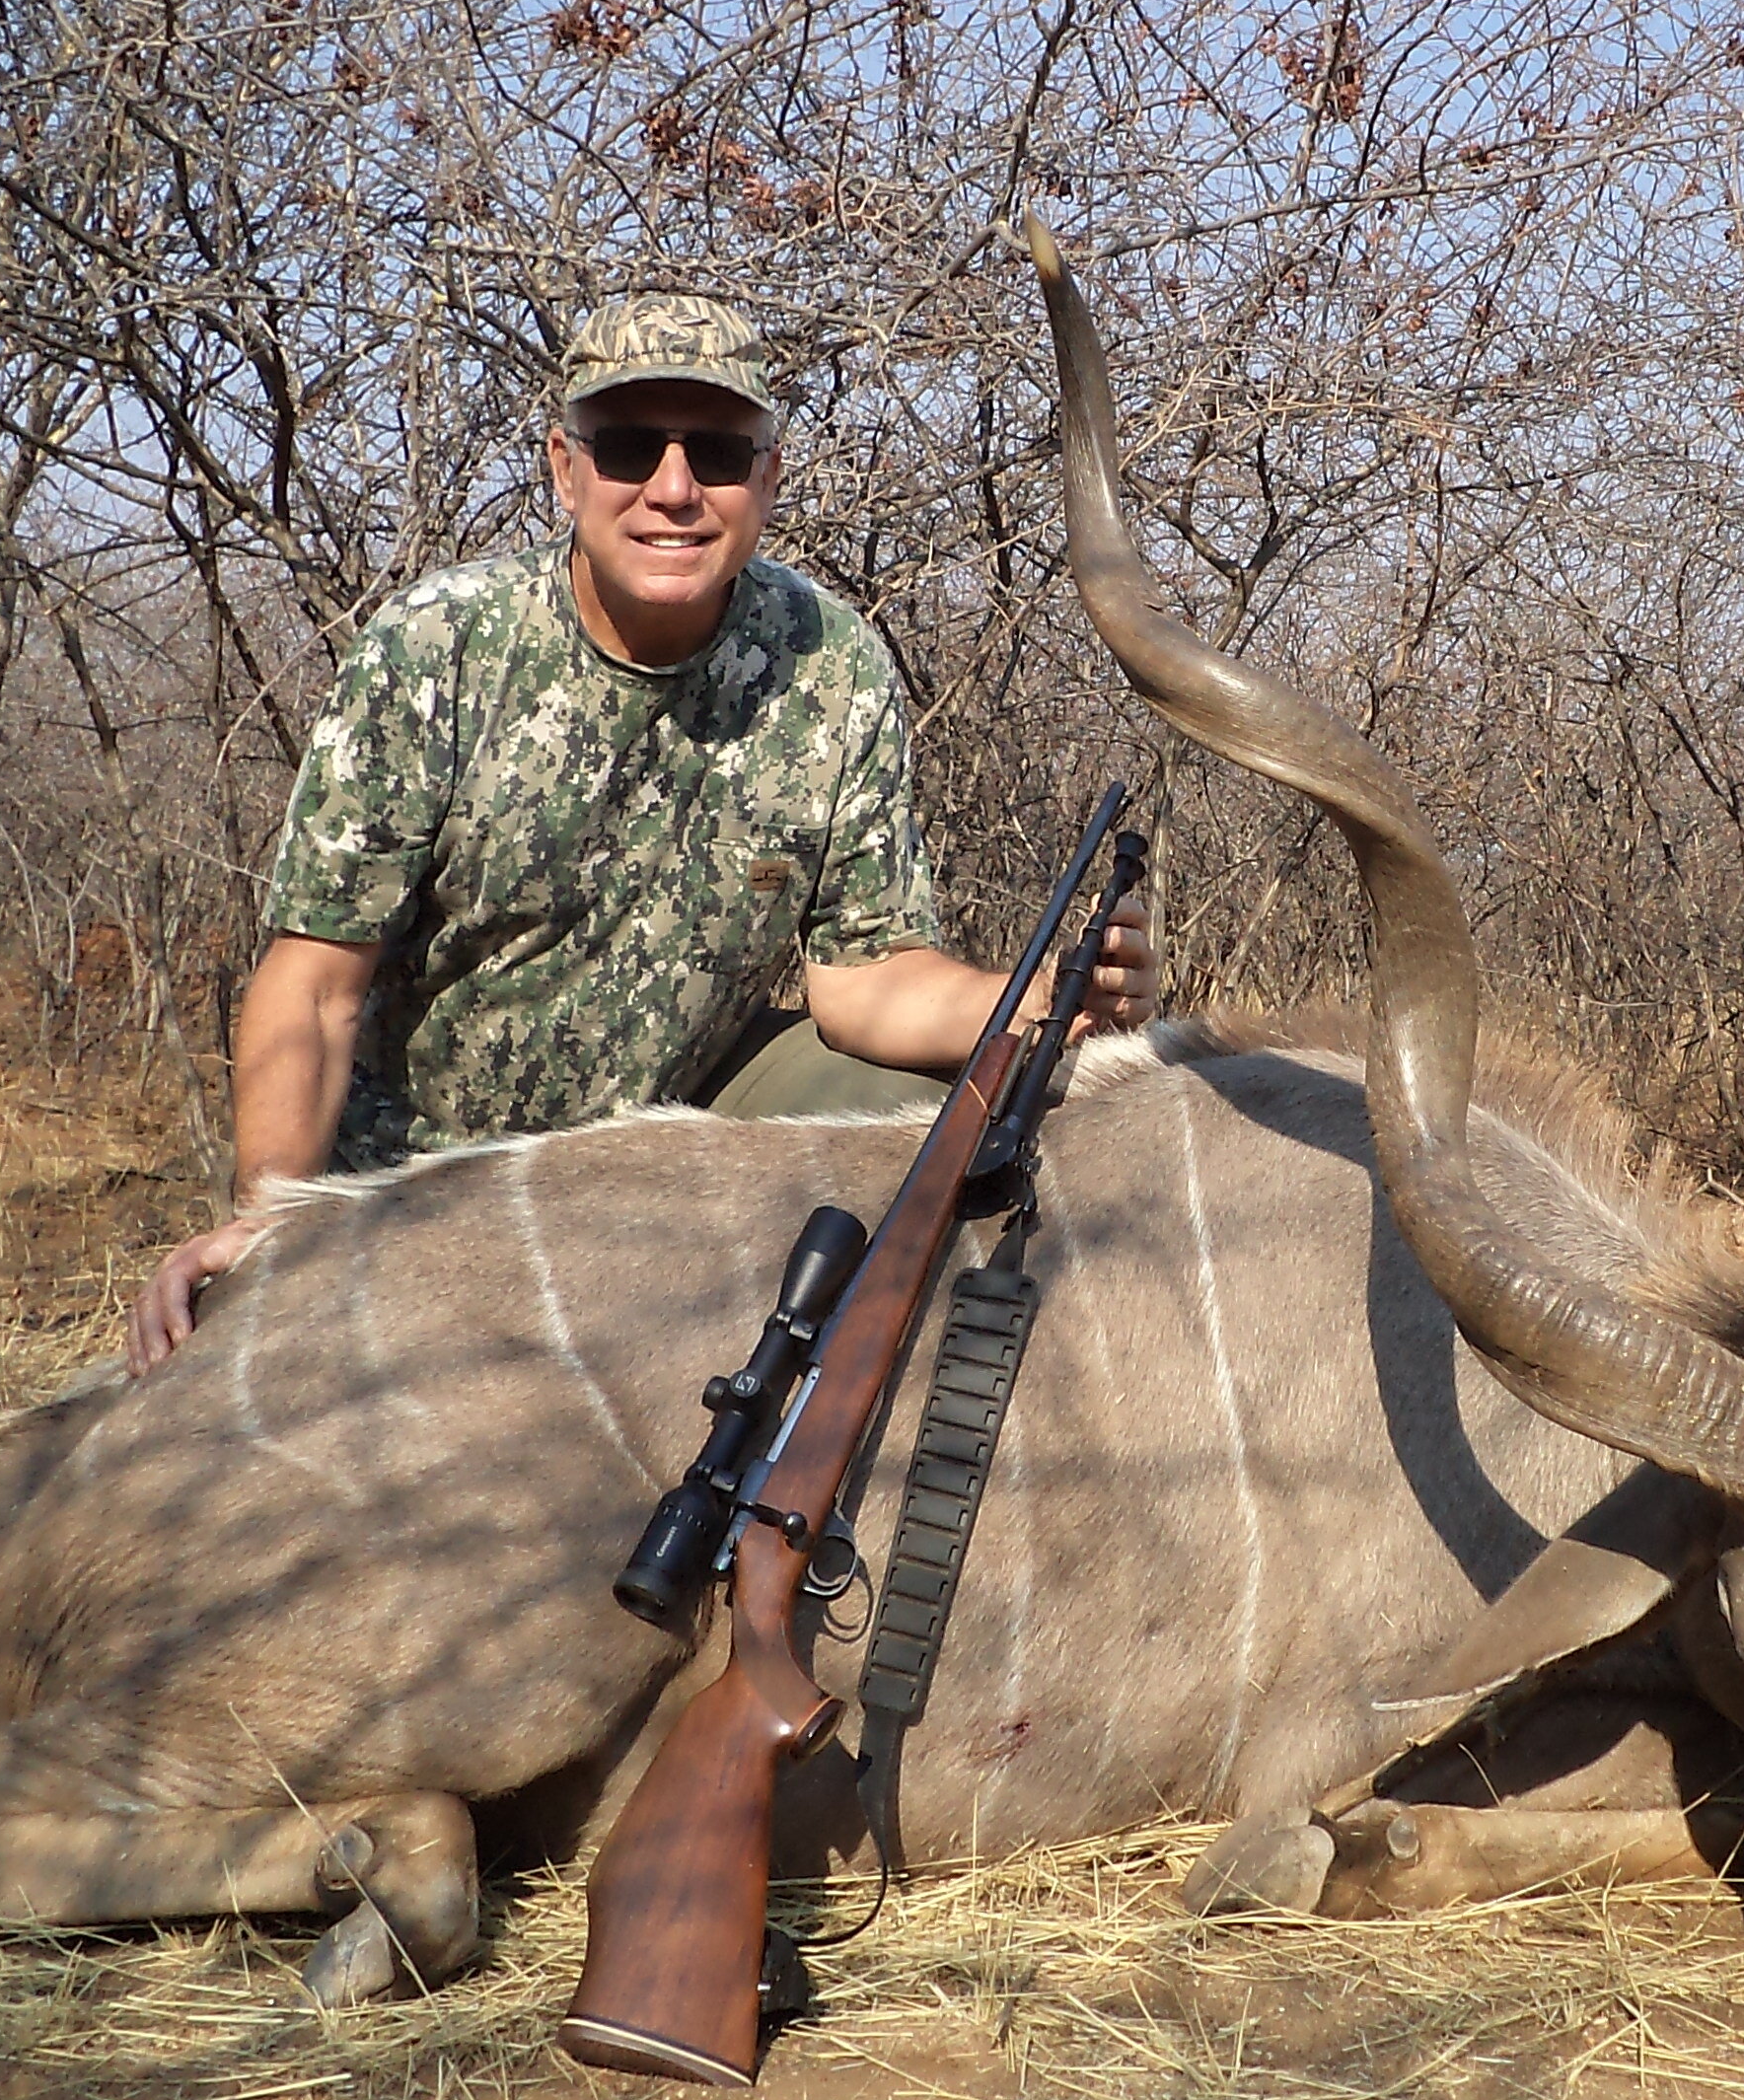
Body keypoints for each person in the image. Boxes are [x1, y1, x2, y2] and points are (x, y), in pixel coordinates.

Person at [126, 292, 1156, 1376]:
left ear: (766, 479)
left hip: (667, 1154)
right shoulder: (436, 646)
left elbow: (863, 984)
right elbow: (318, 981)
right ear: (565, 470)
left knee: (956, 1108)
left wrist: (1045, 997)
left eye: (715, 453)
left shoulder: (831, 661)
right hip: (423, 1175)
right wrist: (271, 1218)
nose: (673, 491)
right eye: (629, 449)